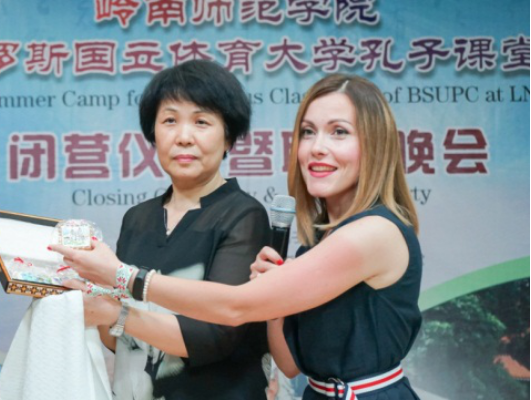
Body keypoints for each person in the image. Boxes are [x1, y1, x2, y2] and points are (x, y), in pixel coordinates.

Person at [53, 73, 422, 400]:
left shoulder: (373, 232)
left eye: (339, 131)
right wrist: (275, 300)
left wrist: (121, 277)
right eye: (308, 132)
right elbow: (290, 364)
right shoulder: (319, 242)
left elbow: (234, 309)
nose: (317, 147)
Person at [76, 60, 271, 400]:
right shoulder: (137, 218)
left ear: (228, 137)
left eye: (201, 122)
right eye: (169, 121)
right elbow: (120, 340)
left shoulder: (244, 215)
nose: (183, 137)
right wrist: (86, 297)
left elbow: (215, 335)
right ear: (153, 135)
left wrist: (117, 313)